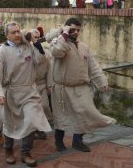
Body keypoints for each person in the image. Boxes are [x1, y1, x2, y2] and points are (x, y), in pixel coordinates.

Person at [47, 18, 116, 153]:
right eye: (73, 29)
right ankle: (59, 141)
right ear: (66, 28)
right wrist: (64, 34)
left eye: (78, 30)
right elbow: (57, 52)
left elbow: (93, 66)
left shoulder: (84, 47)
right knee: (62, 117)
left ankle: (77, 141)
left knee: (84, 113)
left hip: (81, 87)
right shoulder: (57, 42)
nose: (76, 32)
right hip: (62, 89)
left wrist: (102, 82)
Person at [0, 22, 51, 167]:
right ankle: (8, 150)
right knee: (10, 124)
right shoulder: (3, 51)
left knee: (31, 120)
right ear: (7, 35)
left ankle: (25, 153)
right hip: (11, 93)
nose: (17, 34)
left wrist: (35, 43)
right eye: (13, 32)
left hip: (29, 92)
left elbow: (40, 60)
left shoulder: (28, 46)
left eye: (18, 31)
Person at [30, 29, 53, 140]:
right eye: (34, 37)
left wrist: (49, 85)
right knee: (32, 109)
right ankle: (33, 130)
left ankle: (40, 128)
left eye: (38, 37)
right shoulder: (26, 51)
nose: (36, 39)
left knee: (43, 107)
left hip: (42, 84)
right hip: (29, 85)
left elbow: (49, 69)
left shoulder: (46, 52)